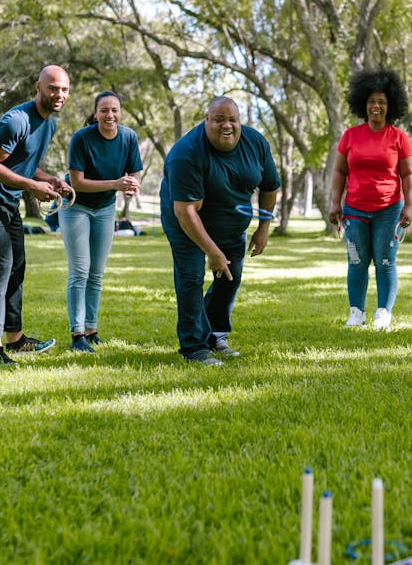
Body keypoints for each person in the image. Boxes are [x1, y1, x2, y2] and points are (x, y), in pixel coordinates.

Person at [160, 96, 281, 366]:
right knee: (191, 277)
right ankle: (194, 349)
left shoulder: (256, 143)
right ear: (206, 121)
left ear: (240, 121)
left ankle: (215, 334)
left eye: (232, 120)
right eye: (218, 120)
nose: (227, 125)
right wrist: (212, 251)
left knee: (231, 276)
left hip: (229, 219)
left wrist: (263, 228)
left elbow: (270, 186)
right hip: (186, 221)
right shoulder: (186, 153)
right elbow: (186, 211)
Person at [0, 65, 71, 365]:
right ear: (38, 87)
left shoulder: (48, 124)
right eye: (52, 87)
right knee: (0, 266)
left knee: (17, 265)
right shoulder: (16, 120)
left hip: (8, 201)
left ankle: (16, 338)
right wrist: (31, 186)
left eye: (63, 89)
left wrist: (49, 179)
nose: (58, 94)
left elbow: (21, 163)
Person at [329, 69, 412, 332]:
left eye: (381, 101)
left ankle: (382, 313)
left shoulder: (399, 137)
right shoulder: (350, 136)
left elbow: (408, 174)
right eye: (370, 101)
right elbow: (340, 171)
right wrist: (335, 201)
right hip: (355, 208)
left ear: (390, 106)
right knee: (356, 261)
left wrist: (410, 206)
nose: (375, 106)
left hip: (389, 210)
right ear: (362, 104)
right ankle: (356, 312)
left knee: (385, 262)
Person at [59, 91, 143, 352]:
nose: (109, 115)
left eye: (114, 110)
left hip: (105, 208)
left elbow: (135, 170)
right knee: (80, 270)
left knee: (96, 273)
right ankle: (77, 336)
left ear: (120, 113)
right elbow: (77, 182)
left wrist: (131, 184)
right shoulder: (82, 138)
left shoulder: (128, 137)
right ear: (95, 114)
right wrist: (116, 184)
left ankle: (92, 330)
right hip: (75, 205)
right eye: (104, 110)